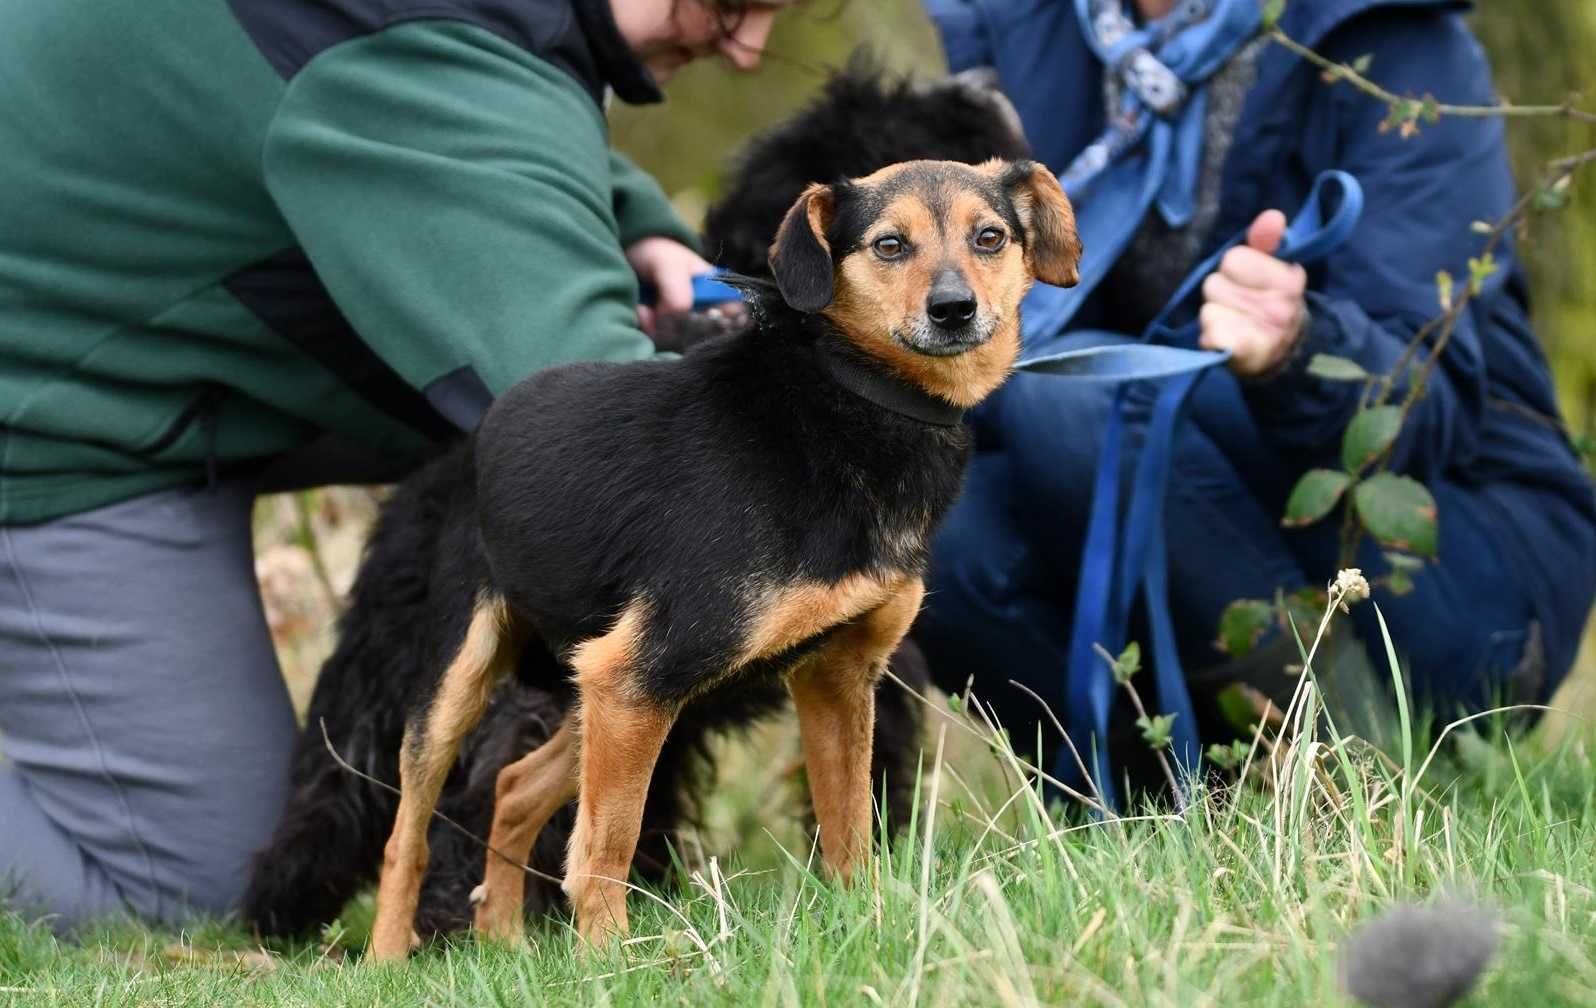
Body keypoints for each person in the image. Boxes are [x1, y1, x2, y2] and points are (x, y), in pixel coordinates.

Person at [0, 0, 787, 932]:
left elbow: (427, 107)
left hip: (129, 326)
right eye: (730, 1)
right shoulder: (420, 42)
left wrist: (636, 223)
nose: (749, 48)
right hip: (50, 412)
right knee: (172, 888)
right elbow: (610, 445)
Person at [914, 0, 1596, 790]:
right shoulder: (1028, 38)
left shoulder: (1398, 45)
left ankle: (1367, 786)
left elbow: (1423, 405)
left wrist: (1299, 349)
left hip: (1457, 571)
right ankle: (1166, 813)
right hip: (1165, 491)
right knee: (943, 531)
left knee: (1075, 400)